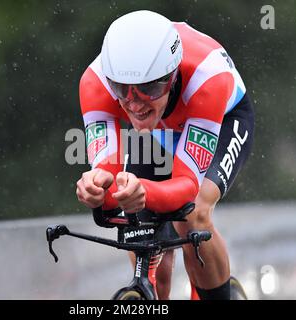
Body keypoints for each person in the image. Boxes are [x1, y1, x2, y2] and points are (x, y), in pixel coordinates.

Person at [76, 10, 254, 300]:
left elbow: (186, 188)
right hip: (159, 130)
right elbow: (108, 183)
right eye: (121, 89)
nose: (134, 104)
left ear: (172, 77)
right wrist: (96, 188)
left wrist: (143, 190)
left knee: (193, 213)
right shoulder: (96, 83)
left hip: (223, 117)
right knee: (139, 223)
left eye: (148, 88)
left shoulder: (208, 79)